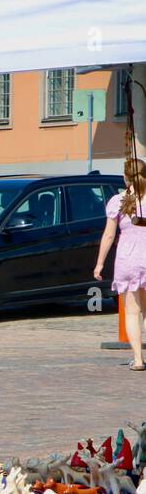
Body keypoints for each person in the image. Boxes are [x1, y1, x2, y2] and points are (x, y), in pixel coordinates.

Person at [94, 157, 146, 370]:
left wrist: (99, 264)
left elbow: (108, 235)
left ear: (125, 178)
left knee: (132, 312)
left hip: (127, 260)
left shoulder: (117, 201)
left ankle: (138, 359)